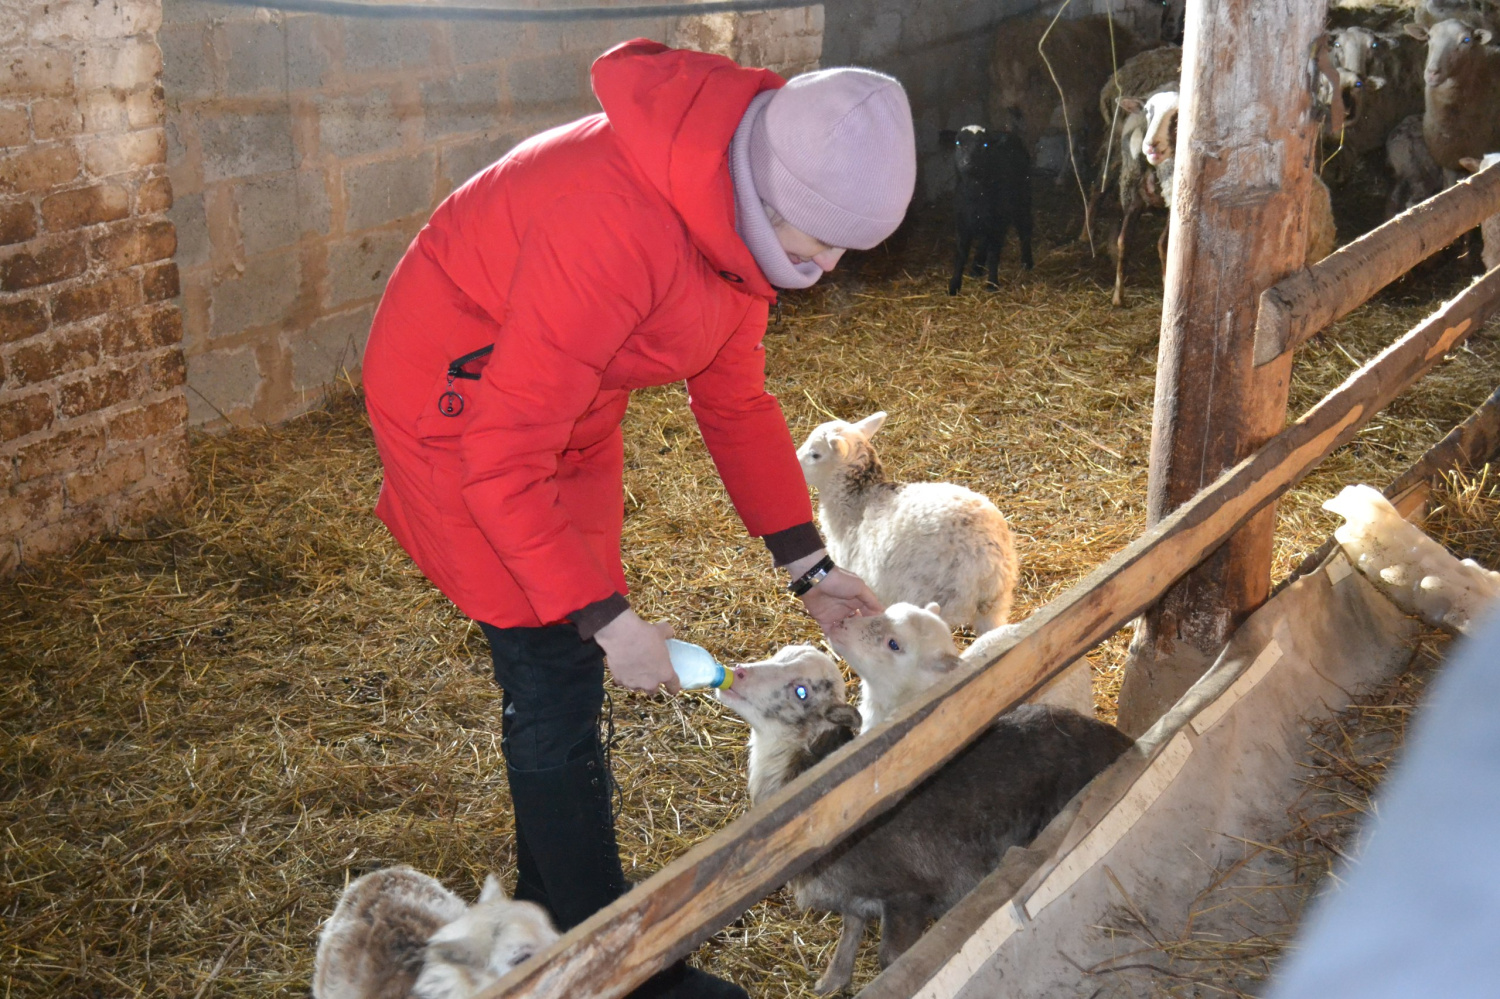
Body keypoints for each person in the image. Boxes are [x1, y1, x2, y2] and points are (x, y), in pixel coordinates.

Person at [361, 38, 917, 998]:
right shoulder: (610, 227)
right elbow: (500, 461)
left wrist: (812, 572)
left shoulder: (738, 220)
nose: (822, 269)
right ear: (760, 194)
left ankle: (550, 911)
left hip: (565, 395)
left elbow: (735, 401)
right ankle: (612, 961)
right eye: (813, 242)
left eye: (840, 250)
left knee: (571, 636)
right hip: (458, 399)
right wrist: (609, 620)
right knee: (549, 656)